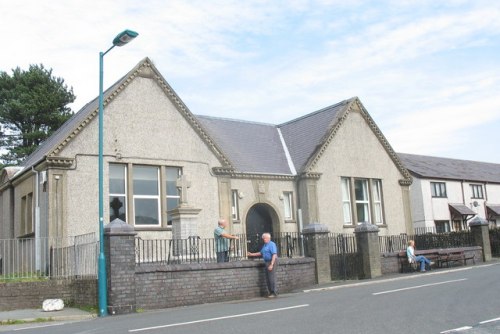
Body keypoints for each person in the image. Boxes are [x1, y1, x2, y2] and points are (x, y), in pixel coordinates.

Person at [247, 233, 278, 298]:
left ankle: (273, 292)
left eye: (264, 238)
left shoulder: (272, 244)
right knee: (267, 277)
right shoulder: (265, 245)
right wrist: (251, 254)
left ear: (268, 238)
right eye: (263, 238)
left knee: (271, 277)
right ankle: (270, 292)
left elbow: (274, 255)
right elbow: (260, 253)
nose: (263, 239)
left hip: (271, 261)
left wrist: (272, 264)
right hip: (266, 262)